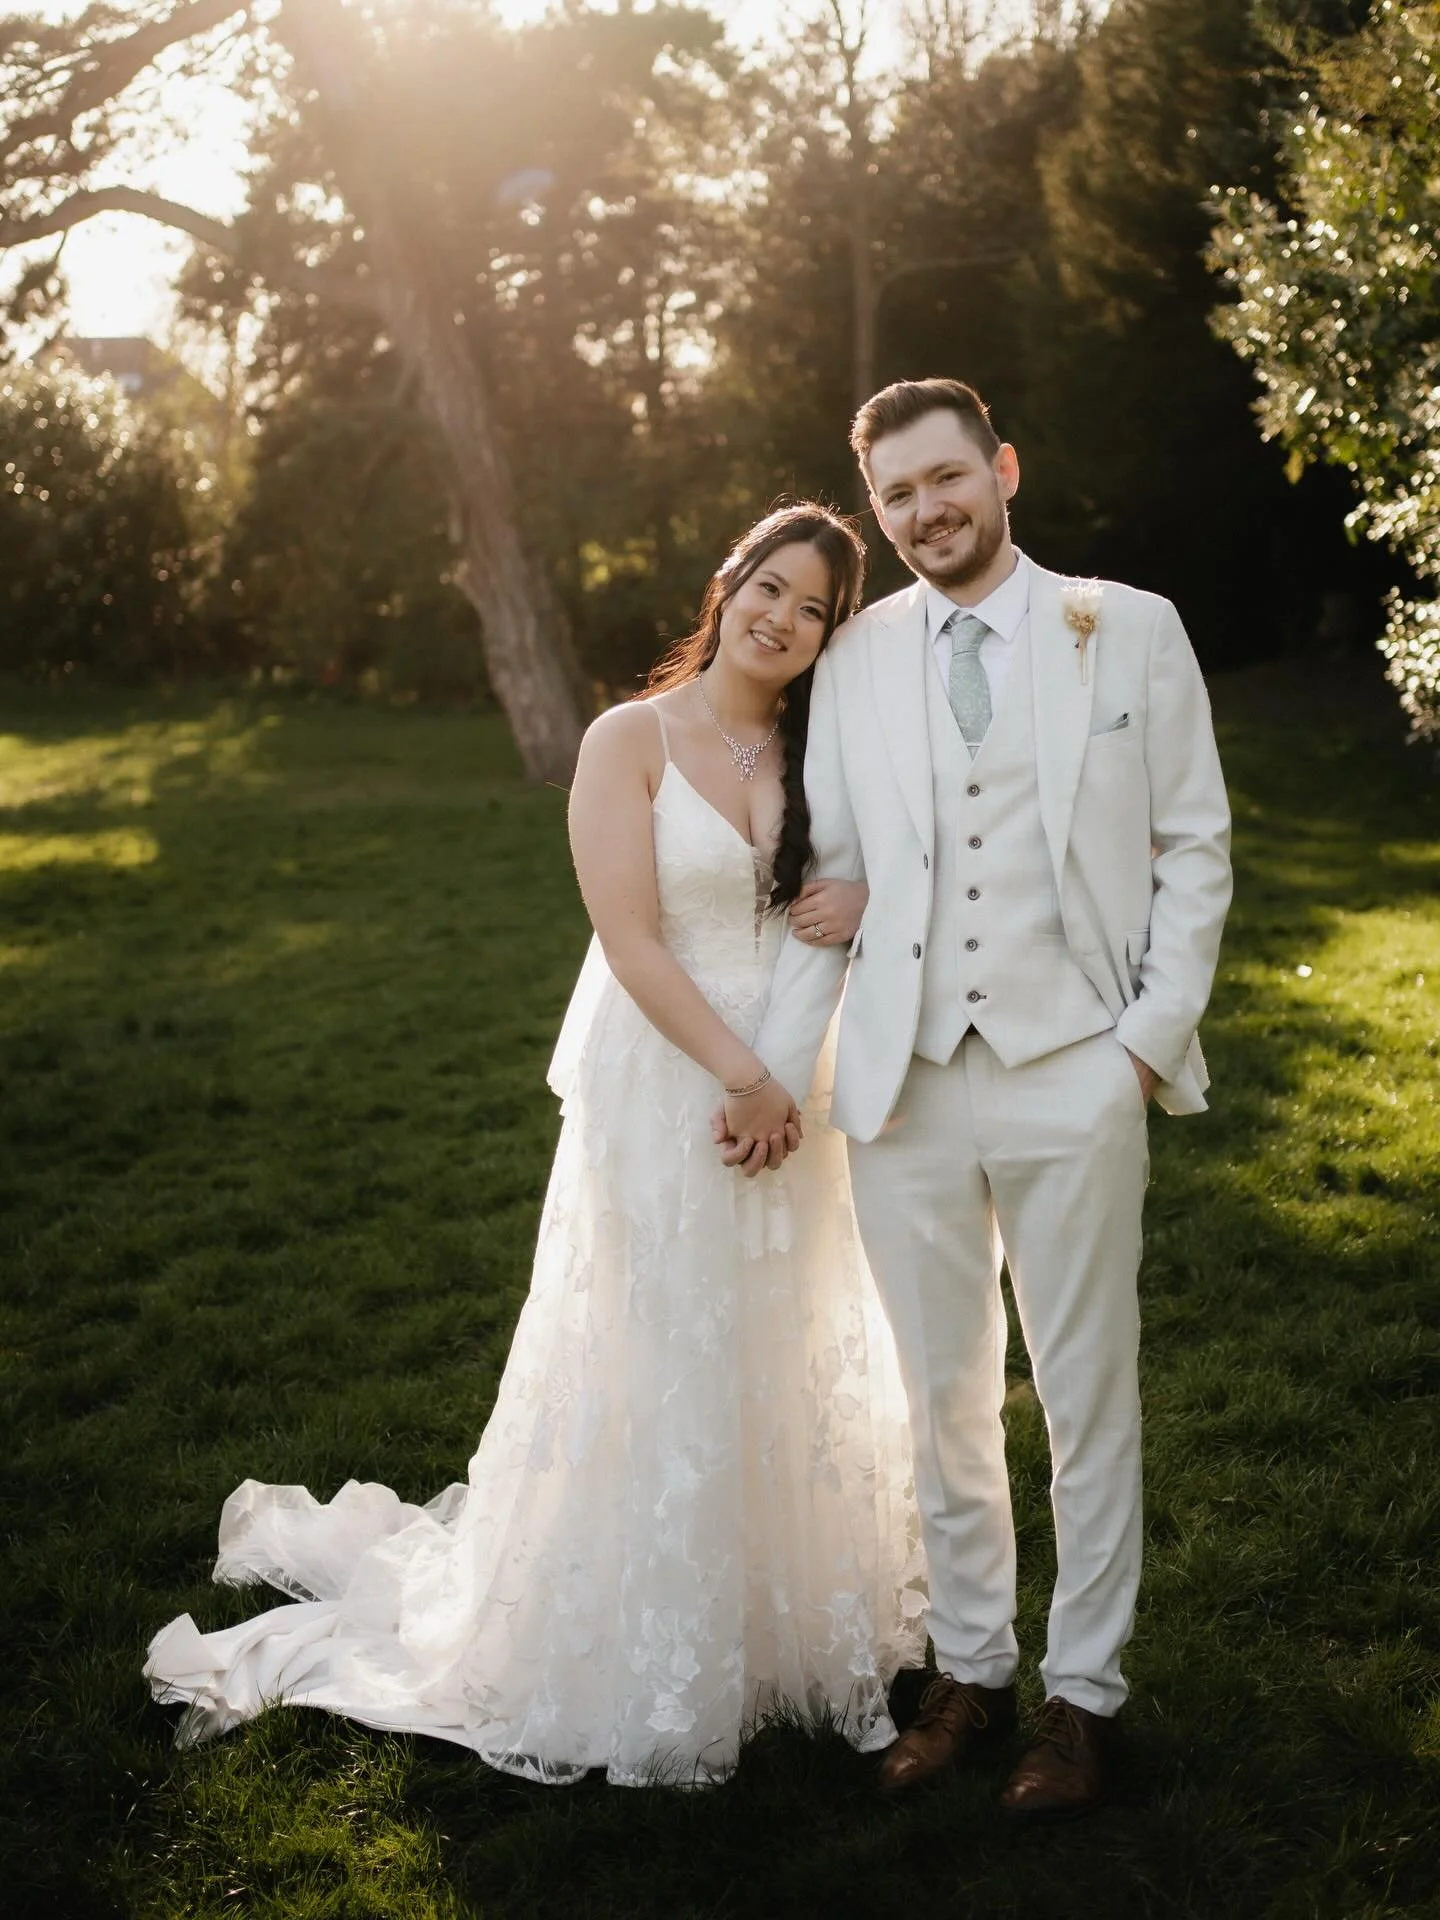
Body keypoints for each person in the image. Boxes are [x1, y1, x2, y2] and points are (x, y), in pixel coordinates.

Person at [144, 502, 927, 1787]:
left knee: (784, 1327)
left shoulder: (819, 746)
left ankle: (784, 1618)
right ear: (724, 583)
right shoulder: (629, 739)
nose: (782, 621)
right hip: (672, 1072)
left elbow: (850, 890)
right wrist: (739, 1078)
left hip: (796, 1070)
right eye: (769, 589)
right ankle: (641, 1625)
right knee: (662, 1330)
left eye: (814, 612)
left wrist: (811, 1012)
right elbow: (629, 941)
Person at [723, 380, 1233, 1820]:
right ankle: (970, 1670)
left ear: (1001, 470)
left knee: (1087, 1396)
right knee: (939, 1397)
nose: (927, 509)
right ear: (878, 513)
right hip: (903, 1080)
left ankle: (1084, 1699)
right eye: (898, 495)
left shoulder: (1126, 625)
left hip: (1078, 1066)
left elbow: (1195, 842)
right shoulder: (862, 656)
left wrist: (1140, 1045)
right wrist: (775, 1065)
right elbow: (841, 876)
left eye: (947, 478)